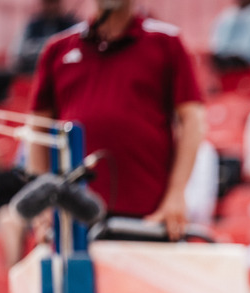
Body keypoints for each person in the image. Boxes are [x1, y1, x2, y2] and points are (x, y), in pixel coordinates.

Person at [28, 0, 206, 241]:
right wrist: (43, 204)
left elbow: (192, 121)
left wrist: (176, 195)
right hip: (72, 219)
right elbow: (38, 131)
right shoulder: (56, 50)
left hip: (150, 218)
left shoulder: (167, 43)